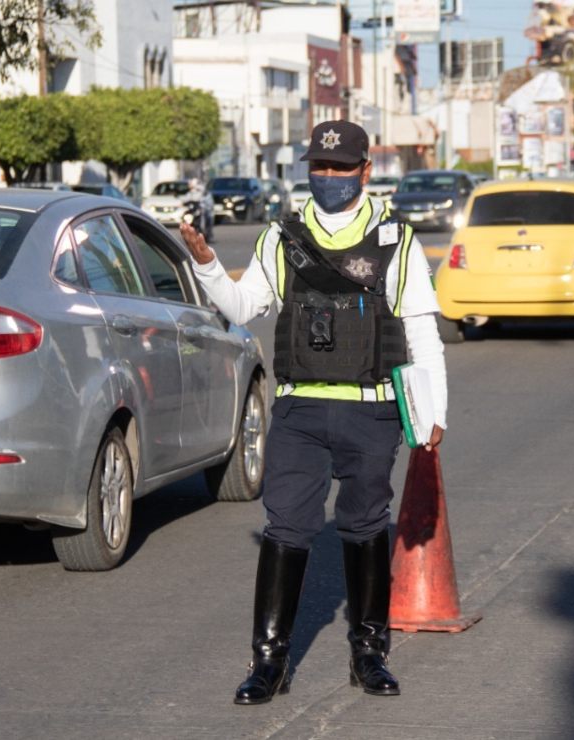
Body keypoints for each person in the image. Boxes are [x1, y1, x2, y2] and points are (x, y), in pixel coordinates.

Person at [178, 120, 447, 705]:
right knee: (287, 528)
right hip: (300, 409)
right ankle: (268, 664)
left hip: (372, 412)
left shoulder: (396, 240)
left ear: (365, 171)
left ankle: (369, 653)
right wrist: (205, 267)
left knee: (364, 523)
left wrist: (431, 415)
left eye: (341, 168)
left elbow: (423, 332)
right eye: (319, 168)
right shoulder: (282, 236)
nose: (328, 178)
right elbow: (245, 306)